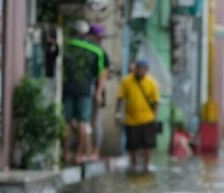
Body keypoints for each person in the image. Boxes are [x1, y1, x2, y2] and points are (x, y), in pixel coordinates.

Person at [62, 20, 107, 164]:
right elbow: (102, 74)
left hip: (67, 87)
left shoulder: (66, 45)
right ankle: (78, 155)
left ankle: (65, 153)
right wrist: (99, 93)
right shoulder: (97, 51)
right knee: (83, 122)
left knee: (66, 121)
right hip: (85, 90)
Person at [116, 59, 161, 173]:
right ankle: (133, 164)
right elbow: (120, 98)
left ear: (147, 70)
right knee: (132, 145)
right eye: (139, 68)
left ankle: (147, 164)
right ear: (135, 69)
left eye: (143, 69)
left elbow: (156, 101)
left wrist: (154, 117)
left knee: (147, 144)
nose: (140, 71)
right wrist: (117, 114)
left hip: (147, 118)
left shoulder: (151, 83)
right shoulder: (127, 81)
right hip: (131, 119)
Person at [87, 24, 111, 159]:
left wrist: (98, 93)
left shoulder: (101, 53)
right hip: (84, 90)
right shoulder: (86, 50)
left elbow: (104, 75)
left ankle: (95, 151)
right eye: (98, 37)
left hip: (96, 91)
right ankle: (88, 149)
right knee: (84, 122)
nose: (99, 39)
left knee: (95, 122)